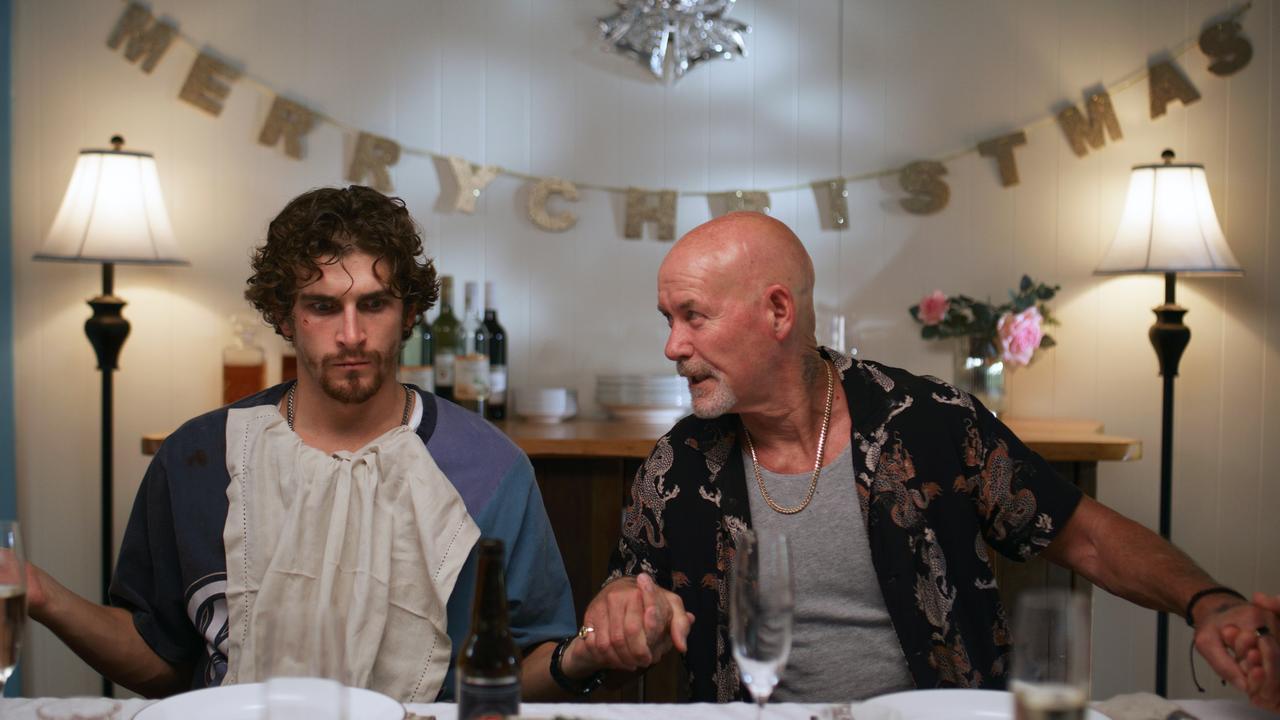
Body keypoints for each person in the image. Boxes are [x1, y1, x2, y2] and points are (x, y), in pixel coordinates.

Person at [561, 211, 1280, 711]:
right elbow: (620, 613)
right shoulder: (677, 466)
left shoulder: (930, 423)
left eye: (693, 317)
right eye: (668, 321)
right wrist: (614, 617)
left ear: (778, 313)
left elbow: (1083, 534)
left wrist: (1207, 601)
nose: (672, 347)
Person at [24, 186, 580, 702]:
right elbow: (159, 658)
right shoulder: (197, 459)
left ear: (409, 313)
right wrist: (41, 595)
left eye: (373, 304)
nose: (351, 335)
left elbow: (533, 656)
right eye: (321, 306)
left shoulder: (490, 467)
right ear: (284, 317)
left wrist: (588, 653)